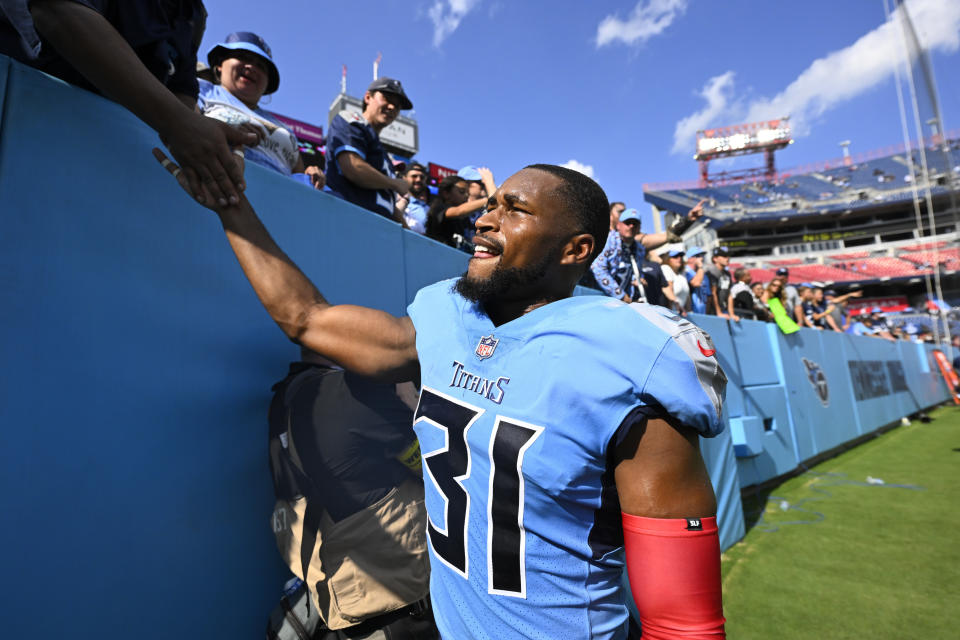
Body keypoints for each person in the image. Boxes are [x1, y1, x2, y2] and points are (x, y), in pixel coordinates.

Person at [154, 153, 728, 639]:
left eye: (514, 210)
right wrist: (231, 205)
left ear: (575, 250)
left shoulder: (626, 357)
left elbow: (683, 620)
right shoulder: (445, 317)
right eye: (491, 203)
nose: (485, 219)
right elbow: (307, 319)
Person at [0, 0, 255, 207]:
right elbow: (57, 11)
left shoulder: (192, 12)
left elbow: (181, 89)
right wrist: (177, 123)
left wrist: (207, 142)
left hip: (96, 161)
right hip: (19, 121)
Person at [265, 350, 439, 639]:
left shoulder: (281, 403)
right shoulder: (351, 392)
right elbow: (439, 469)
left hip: (339, 606)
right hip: (399, 609)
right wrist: (411, 400)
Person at [199, 32, 323, 188]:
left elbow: (297, 175)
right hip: (216, 185)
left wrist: (310, 176)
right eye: (243, 56)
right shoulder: (201, 90)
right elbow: (182, 124)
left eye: (261, 66)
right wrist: (222, 129)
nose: (251, 67)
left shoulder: (284, 129)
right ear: (220, 64)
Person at [325, 77, 414, 222]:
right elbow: (352, 167)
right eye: (387, 98)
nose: (392, 107)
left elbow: (390, 208)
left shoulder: (384, 157)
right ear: (368, 97)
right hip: (347, 218)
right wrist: (395, 183)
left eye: (397, 106)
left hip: (379, 229)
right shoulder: (351, 121)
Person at [425, 168, 497, 247]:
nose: (466, 195)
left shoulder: (468, 218)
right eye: (462, 192)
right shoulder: (439, 208)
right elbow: (459, 211)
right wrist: (490, 198)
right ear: (446, 194)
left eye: (467, 192)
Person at [591, 208, 647, 302]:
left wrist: (639, 280)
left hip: (623, 303)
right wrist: (620, 295)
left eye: (635, 223)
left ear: (639, 228)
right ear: (618, 225)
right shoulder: (607, 240)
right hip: (598, 298)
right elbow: (598, 268)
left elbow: (637, 273)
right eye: (627, 222)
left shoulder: (640, 249)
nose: (631, 226)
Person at [396, 162, 432, 234]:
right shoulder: (394, 199)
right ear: (404, 177)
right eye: (414, 176)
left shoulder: (429, 209)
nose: (418, 180)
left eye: (422, 177)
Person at [705, 247, 732, 318]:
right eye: (724, 256)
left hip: (724, 310)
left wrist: (731, 313)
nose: (727, 258)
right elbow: (713, 293)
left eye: (728, 255)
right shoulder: (712, 272)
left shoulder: (727, 274)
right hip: (712, 312)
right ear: (715, 259)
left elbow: (729, 294)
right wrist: (718, 312)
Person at [661, 248, 690, 314]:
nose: (679, 258)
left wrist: (689, 312)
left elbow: (687, 298)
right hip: (671, 314)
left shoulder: (682, 275)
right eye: (675, 256)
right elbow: (668, 290)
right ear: (667, 259)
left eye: (680, 256)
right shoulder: (665, 268)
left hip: (681, 315)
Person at [684, 246, 708, 314]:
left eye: (702, 255)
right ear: (690, 258)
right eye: (698, 256)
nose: (701, 258)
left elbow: (708, 296)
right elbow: (696, 283)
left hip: (703, 313)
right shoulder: (686, 271)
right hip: (691, 313)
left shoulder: (702, 273)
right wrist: (700, 266)